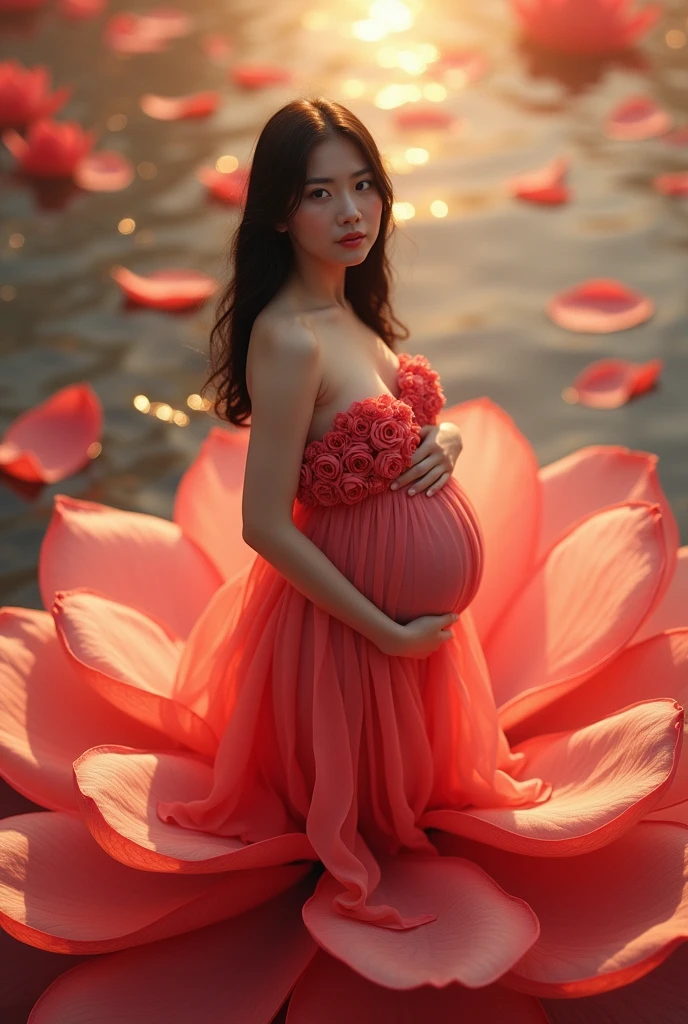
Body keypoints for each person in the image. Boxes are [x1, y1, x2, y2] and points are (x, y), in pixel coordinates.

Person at [156, 96, 547, 928]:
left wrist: (447, 441)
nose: (352, 211)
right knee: (367, 830)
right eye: (319, 193)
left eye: (363, 184)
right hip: (350, 643)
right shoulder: (287, 336)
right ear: (278, 213)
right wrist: (384, 631)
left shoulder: (354, 314)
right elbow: (263, 522)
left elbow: (387, 420)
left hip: (410, 641)